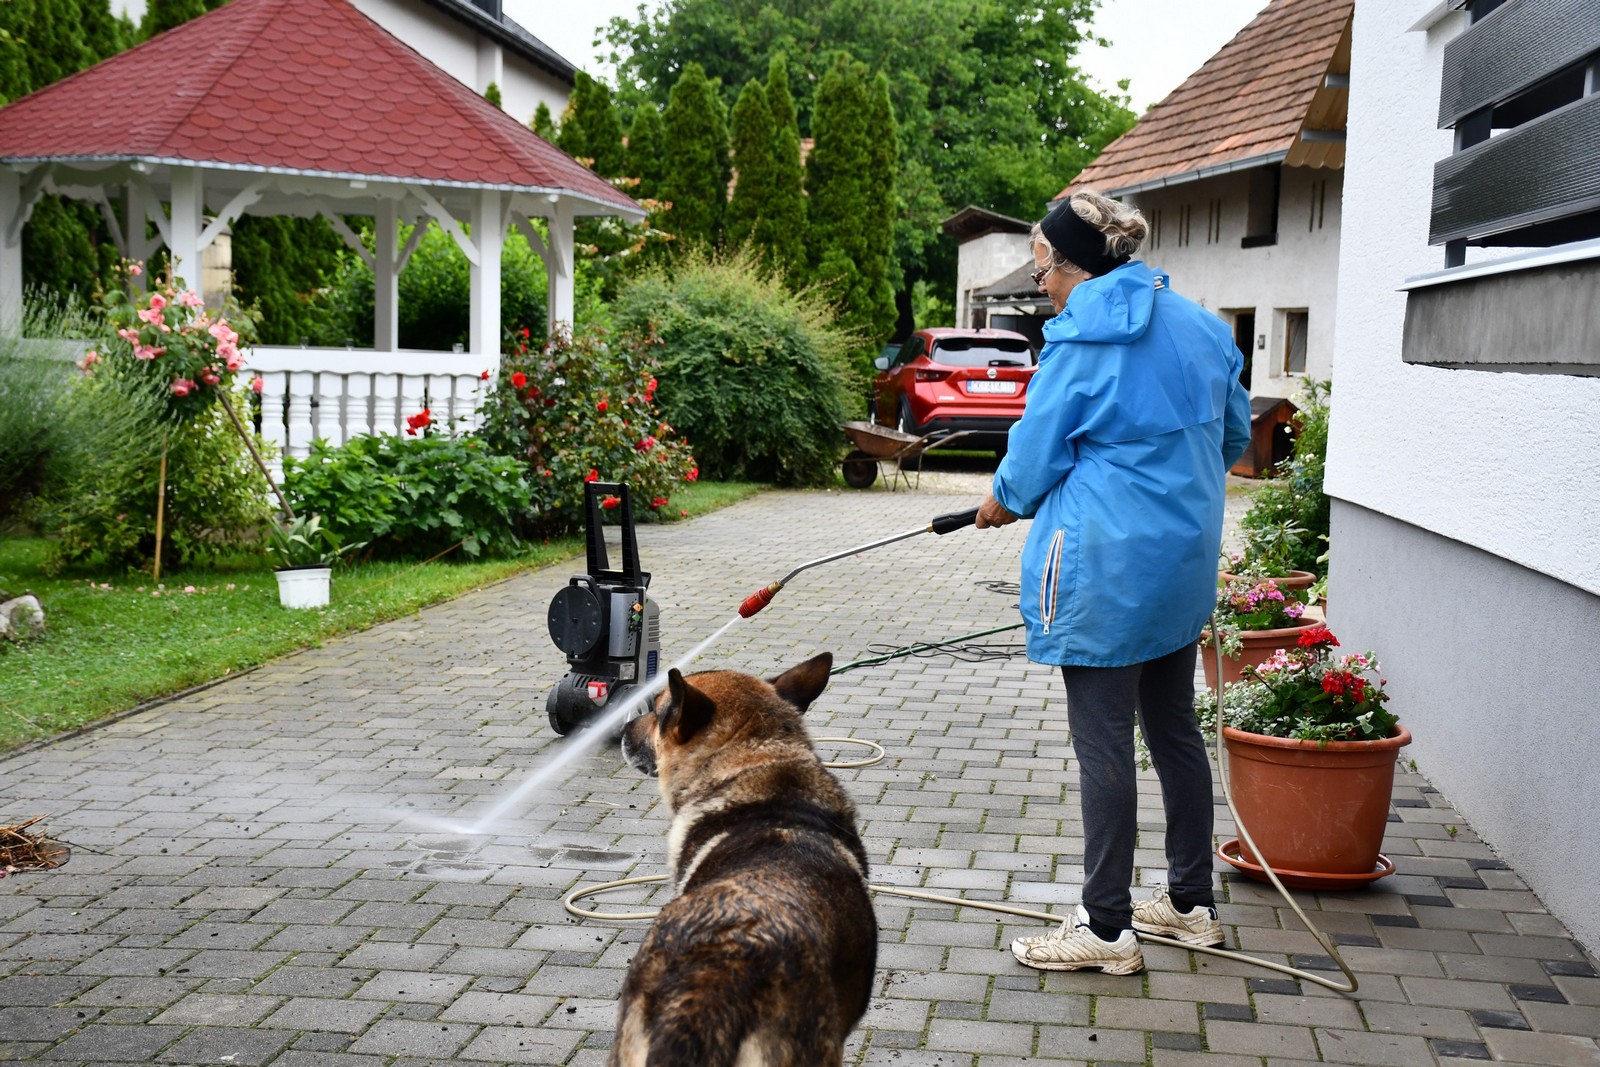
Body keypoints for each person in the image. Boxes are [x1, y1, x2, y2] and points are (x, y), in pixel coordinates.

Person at [976, 191, 1251, 974]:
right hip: (1180, 566)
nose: (1042, 288)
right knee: (1172, 730)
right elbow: (1232, 437)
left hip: (1104, 571)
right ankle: (1191, 905)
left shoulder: (1081, 343)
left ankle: (1105, 928)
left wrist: (1002, 500)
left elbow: (1030, 464)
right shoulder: (1203, 328)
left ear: (1077, 266)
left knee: (1103, 747)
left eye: (1044, 272)